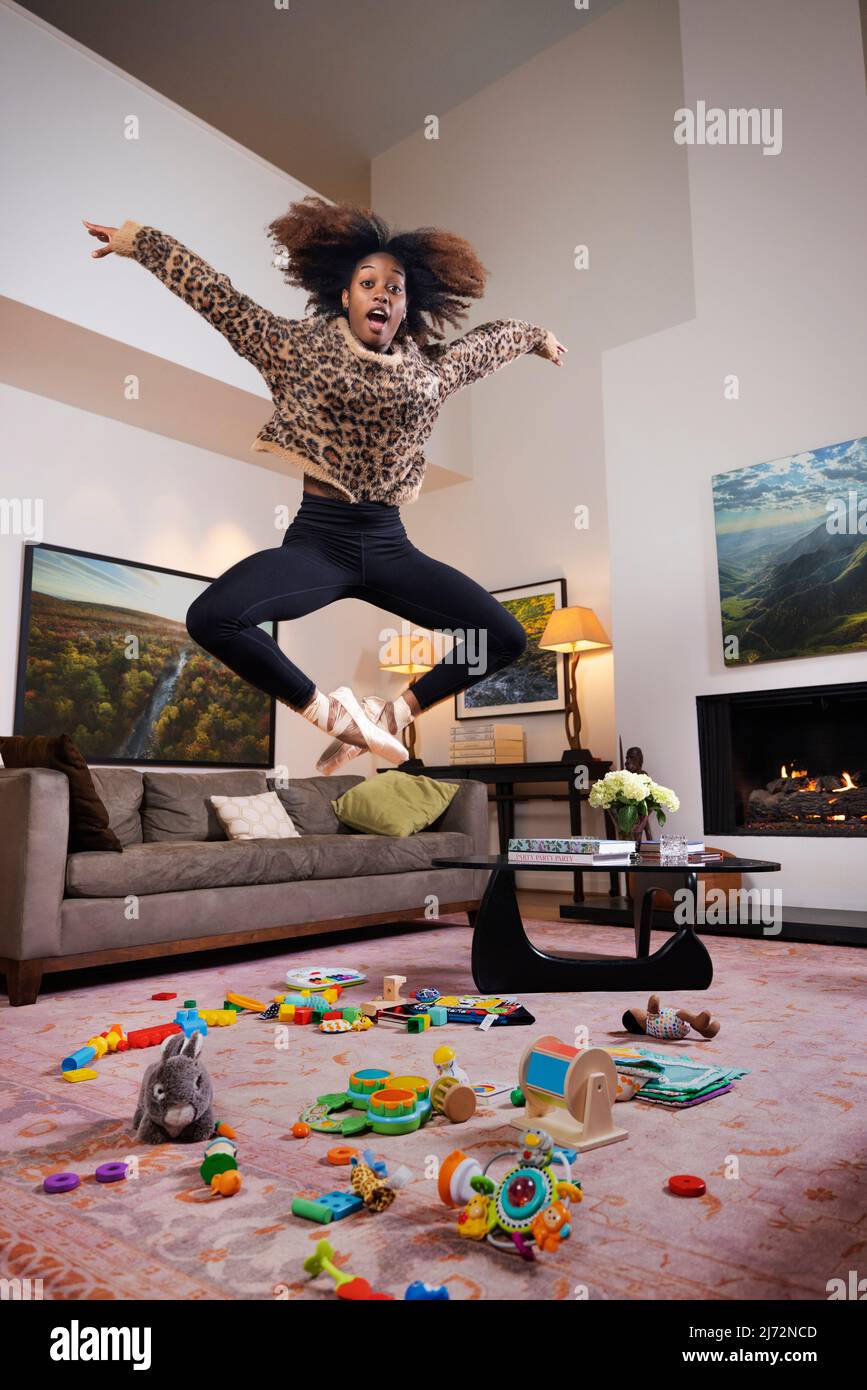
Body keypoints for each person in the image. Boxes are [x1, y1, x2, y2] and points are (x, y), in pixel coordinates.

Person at [84, 197, 566, 773]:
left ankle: (385, 719)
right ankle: (335, 716)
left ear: (407, 306)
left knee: (504, 636)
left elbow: (490, 343)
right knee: (210, 618)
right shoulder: (293, 350)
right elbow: (219, 300)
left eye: (396, 286)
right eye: (369, 282)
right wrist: (141, 242)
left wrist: (536, 335)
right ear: (345, 294)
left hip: (390, 546)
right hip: (320, 543)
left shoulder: (430, 372)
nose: (382, 293)